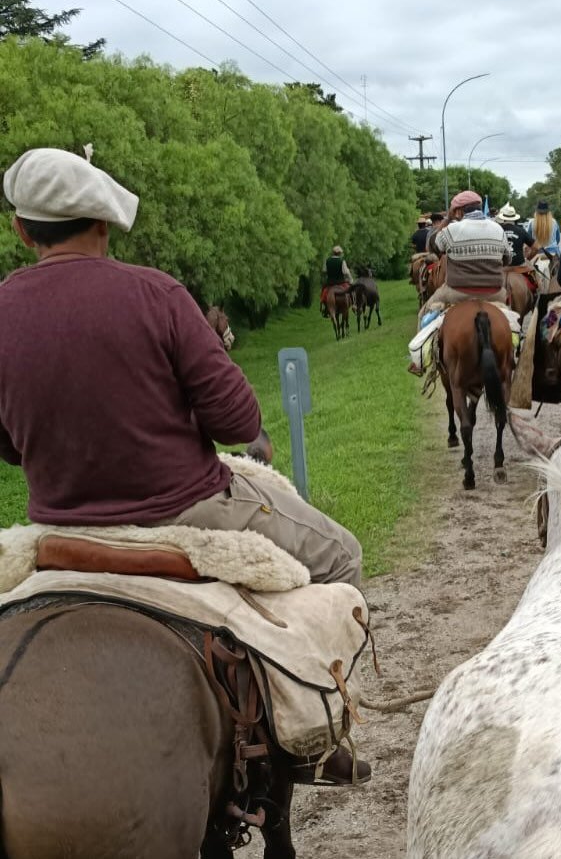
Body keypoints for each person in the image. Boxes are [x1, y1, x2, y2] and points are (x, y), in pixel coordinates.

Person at [0, 147, 368, 785]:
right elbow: (233, 423)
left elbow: (8, 443)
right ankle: (316, 728)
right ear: (105, 224)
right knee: (342, 556)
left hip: (61, 521)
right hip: (190, 508)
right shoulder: (157, 294)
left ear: (22, 230)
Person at [419, 189, 511, 317]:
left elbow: (432, 246)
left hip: (457, 293)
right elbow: (507, 260)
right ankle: (518, 336)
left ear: (459, 211)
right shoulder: (498, 229)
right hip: (495, 293)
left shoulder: (451, 229)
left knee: (423, 313)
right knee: (512, 322)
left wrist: (448, 219)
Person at [320, 244, 353, 316]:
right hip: (341, 283)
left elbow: (324, 270)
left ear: (333, 252)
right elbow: (346, 272)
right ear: (340, 253)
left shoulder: (327, 260)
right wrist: (350, 280)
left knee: (323, 292)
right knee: (350, 291)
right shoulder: (342, 261)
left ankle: (325, 307)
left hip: (330, 283)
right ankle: (353, 304)